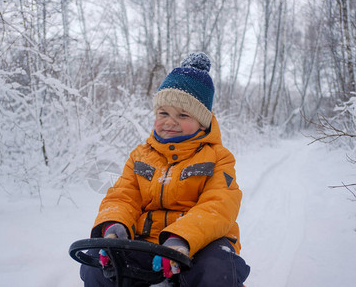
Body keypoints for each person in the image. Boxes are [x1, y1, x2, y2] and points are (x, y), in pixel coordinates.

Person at [80, 53, 250, 286]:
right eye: (163, 113)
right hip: (146, 241)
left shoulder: (218, 157)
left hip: (201, 243)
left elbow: (219, 205)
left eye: (183, 115)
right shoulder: (141, 155)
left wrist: (182, 238)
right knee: (98, 265)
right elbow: (123, 196)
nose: (170, 121)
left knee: (217, 271)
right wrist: (114, 224)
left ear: (203, 122)